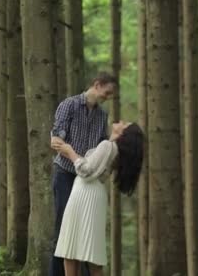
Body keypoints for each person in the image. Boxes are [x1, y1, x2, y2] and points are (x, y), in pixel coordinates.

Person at [51, 121, 144, 276]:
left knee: (71, 250)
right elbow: (90, 166)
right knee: (88, 251)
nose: (121, 121)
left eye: (125, 124)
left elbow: (86, 171)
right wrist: (67, 152)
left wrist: (70, 151)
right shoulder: (113, 148)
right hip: (92, 194)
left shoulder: (107, 146)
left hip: (85, 193)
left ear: (125, 133)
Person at [49, 72, 117, 276]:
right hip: (65, 174)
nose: (108, 97)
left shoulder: (102, 116)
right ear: (97, 85)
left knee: (86, 232)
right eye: (107, 92)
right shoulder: (68, 105)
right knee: (63, 230)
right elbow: (57, 140)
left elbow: (100, 148)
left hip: (86, 180)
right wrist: (77, 158)